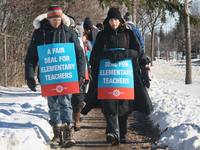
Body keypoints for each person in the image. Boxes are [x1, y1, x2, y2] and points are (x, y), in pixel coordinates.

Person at [81, 7, 153, 146]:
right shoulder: (102, 36)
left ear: (120, 21)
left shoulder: (128, 34)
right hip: (106, 76)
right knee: (109, 104)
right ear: (107, 21)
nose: (113, 22)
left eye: (116, 19)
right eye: (111, 20)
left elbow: (137, 51)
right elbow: (95, 55)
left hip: (124, 76)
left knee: (124, 105)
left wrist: (125, 55)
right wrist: (109, 54)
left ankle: (122, 134)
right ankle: (112, 133)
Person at [24, 5, 85, 148]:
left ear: (61, 18)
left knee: (65, 102)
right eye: (53, 19)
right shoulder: (39, 33)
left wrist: (81, 73)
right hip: (48, 76)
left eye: (58, 19)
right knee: (53, 105)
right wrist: (29, 76)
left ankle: (67, 131)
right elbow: (31, 56)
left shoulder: (69, 32)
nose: (56, 22)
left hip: (66, 75)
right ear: (48, 18)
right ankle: (57, 132)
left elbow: (79, 54)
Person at [124, 12, 150, 88]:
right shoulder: (137, 31)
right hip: (137, 55)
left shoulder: (124, 30)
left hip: (127, 56)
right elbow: (142, 44)